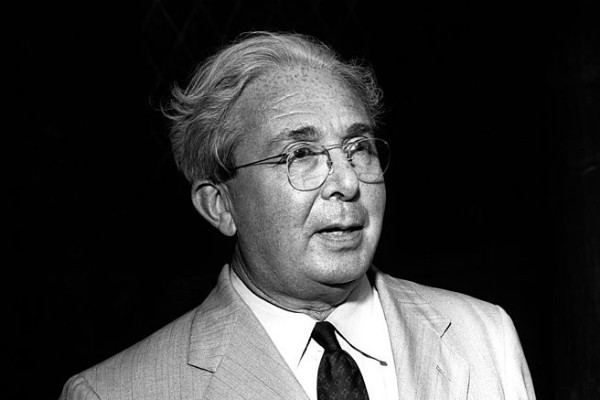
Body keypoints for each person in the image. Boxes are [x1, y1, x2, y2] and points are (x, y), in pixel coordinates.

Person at [60, 31, 536, 400]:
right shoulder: (115, 392)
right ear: (220, 205)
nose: (347, 181)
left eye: (359, 147)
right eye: (301, 154)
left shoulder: (484, 335)